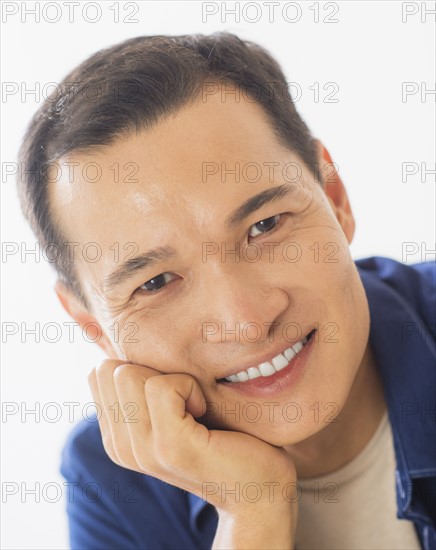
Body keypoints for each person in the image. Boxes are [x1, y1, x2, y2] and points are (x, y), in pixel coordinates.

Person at [17, 32, 435, 549]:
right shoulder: (115, 484)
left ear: (334, 196)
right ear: (92, 325)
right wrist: (251, 514)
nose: (247, 320)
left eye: (265, 226)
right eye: (155, 282)